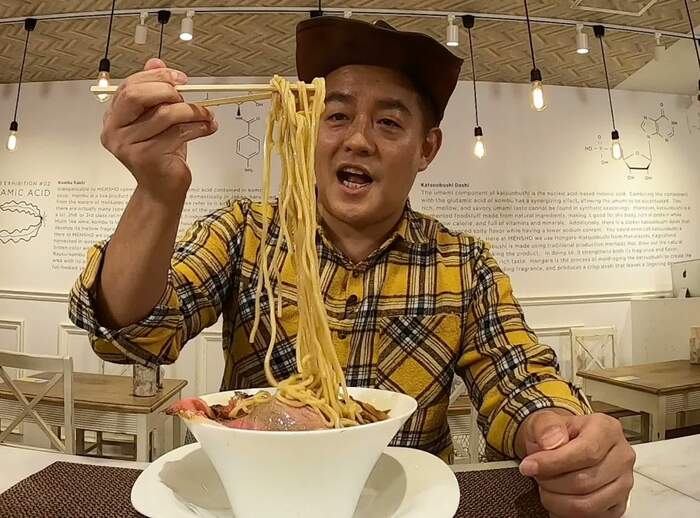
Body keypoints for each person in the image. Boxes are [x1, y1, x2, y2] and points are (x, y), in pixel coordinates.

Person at [69, 16, 634, 516]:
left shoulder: (463, 264)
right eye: (335, 115)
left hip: (405, 503)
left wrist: (557, 433)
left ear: (427, 148)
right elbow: (132, 335)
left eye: (389, 123)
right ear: (305, 128)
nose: (358, 139)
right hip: (260, 500)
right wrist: (157, 191)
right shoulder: (246, 233)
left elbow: (517, 378)